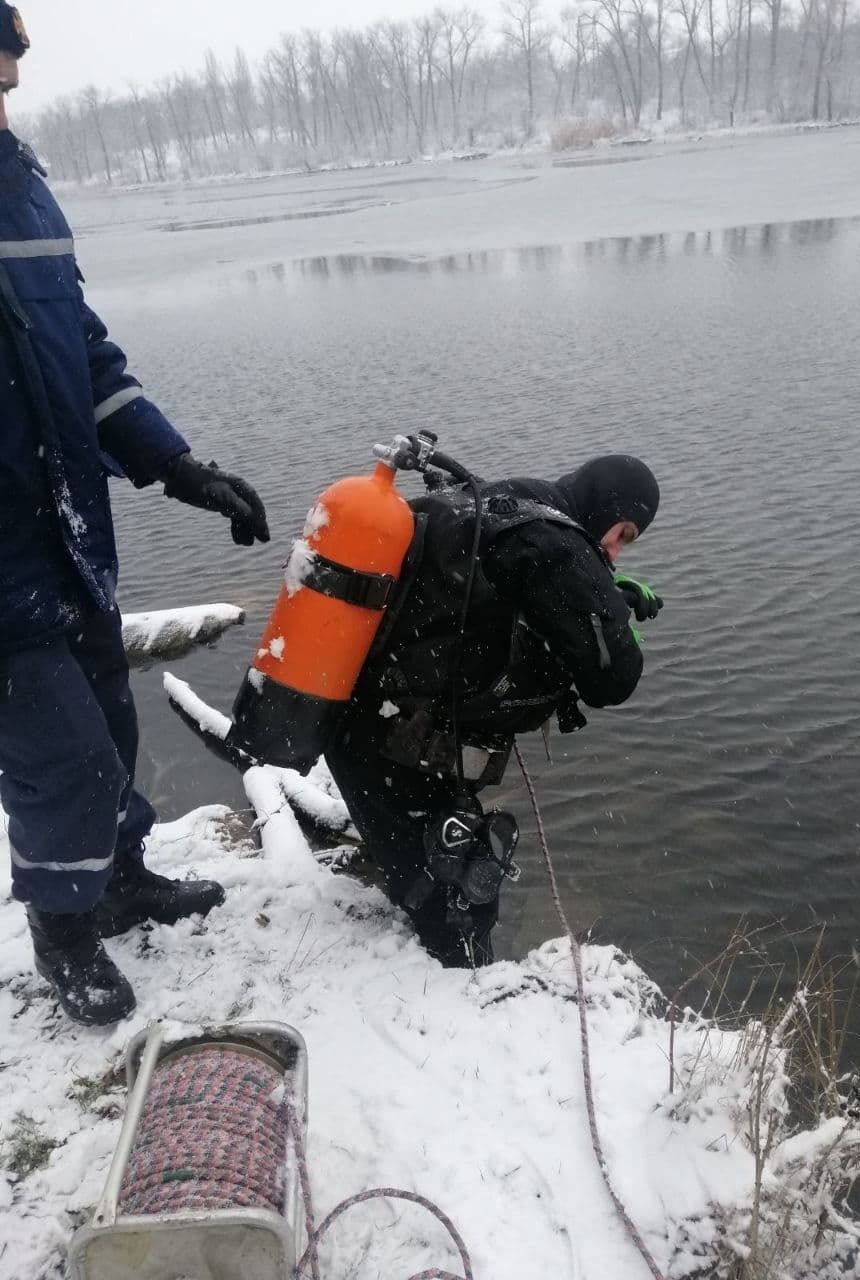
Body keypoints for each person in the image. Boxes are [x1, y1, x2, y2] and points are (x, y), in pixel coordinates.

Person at [0, 7, 270, 1026]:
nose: (3, 101)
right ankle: (62, 927)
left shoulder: (21, 186)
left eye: (9, 83)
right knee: (58, 749)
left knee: (108, 723)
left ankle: (116, 881)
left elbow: (86, 353)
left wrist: (178, 465)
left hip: (67, 531)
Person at [325, 452, 662, 967]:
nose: (614, 551)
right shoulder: (551, 540)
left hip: (359, 725)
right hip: (398, 753)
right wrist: (613, 622)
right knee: (457, 910)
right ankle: (454, 999)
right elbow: (613, 678)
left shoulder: (501, 503)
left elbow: (493, 589)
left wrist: (601, 591)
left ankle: (419, 919)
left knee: (416, 869)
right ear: (605, 505)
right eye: (622, 533)